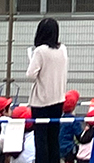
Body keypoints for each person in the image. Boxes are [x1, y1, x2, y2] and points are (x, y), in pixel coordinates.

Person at [27, 18, 68, 163]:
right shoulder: (63, 49)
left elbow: (31, 75)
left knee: (41, 140)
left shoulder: (40, 51)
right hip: (58, 100)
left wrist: (31, 60)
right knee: (53, 139)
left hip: (41, 102)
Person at [58, 91, 82, 163]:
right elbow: (79, 135)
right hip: (69, 148)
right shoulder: (74, 120)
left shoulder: (59, 118)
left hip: (57, 147)